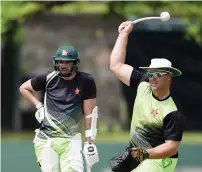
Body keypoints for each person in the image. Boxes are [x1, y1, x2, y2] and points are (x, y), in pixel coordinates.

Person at [109, 21, 185, 172]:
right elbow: (115, 65)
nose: (153, 77)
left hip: (161, 160)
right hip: (136, 152)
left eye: (158, 74)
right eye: (151, 73)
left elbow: (171, 147)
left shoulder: (172, 112)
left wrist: (144, 154)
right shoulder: (143, 82)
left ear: (169, 76)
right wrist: (124, 34)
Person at [19, 45, 99, 172]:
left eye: (67, 62)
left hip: (71, 140)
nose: (63, 65)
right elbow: (24, 88)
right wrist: (39, 106)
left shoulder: (86, 81)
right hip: (46, 140)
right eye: (60, 61)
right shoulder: (48, 78)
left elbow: (89, 113)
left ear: (75, 63)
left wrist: (89, 142)